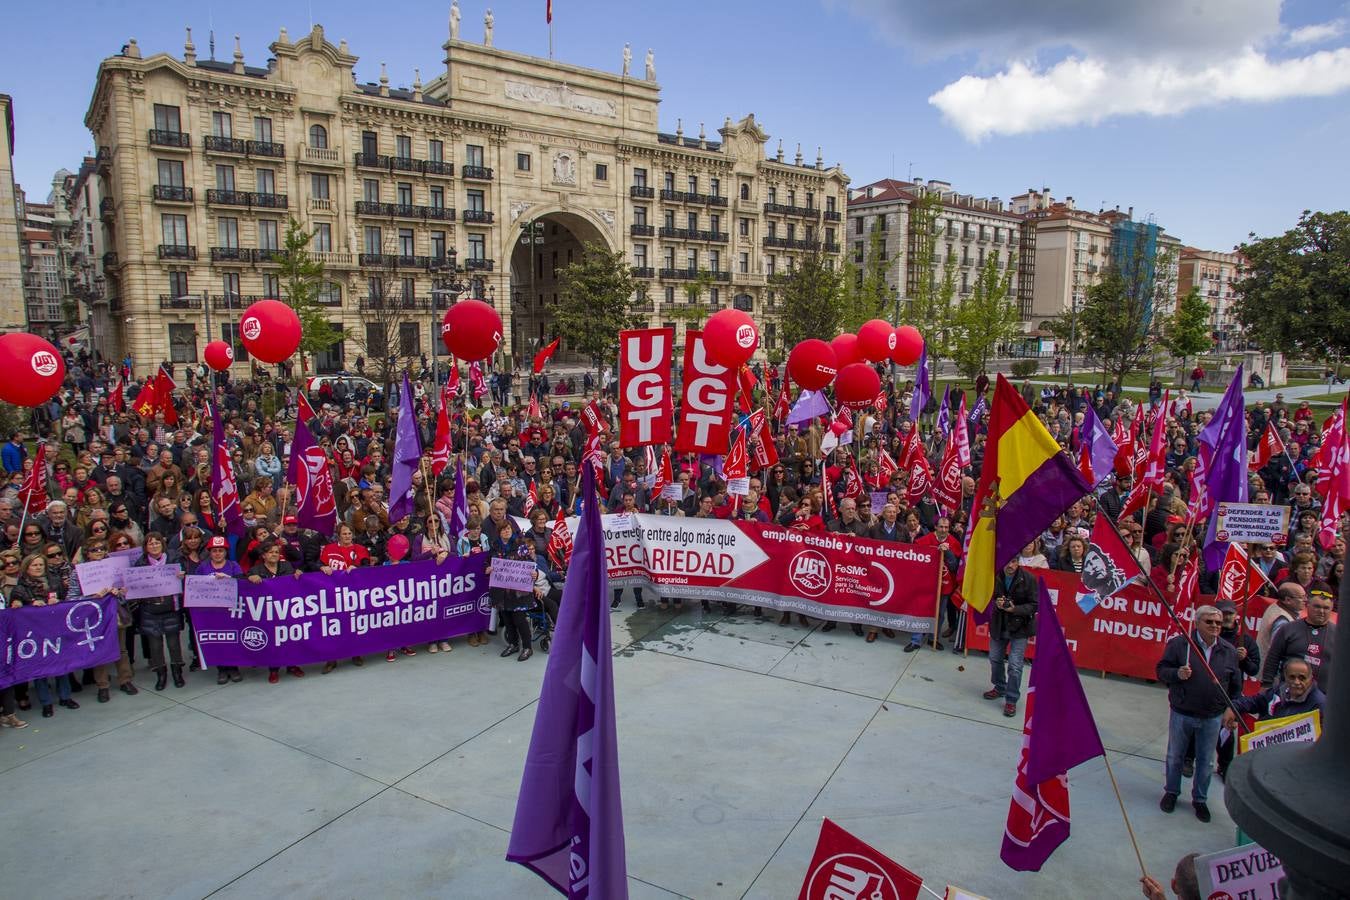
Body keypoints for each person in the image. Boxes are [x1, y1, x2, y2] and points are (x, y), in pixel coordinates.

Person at [1156, 605, 1242, 823]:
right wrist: (1176, 674)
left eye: (1218, 623)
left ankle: (1200, 800)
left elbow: (1235, 685)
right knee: (1175, 756)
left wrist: (1230, 709)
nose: (1215, 626)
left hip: (1212, 716)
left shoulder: (1229, 651)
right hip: (1182, 711)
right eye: (1209, 622)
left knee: (1206, 762)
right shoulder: (1180, 645)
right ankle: (1172, 792)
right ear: (1197, 623)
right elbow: (1161, 670)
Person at [131, 532, 187, 691]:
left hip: (171, 606)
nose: (154, 546)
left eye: (157, 543)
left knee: (174, 643)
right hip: (150, 609)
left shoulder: (174, 559)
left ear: (162, 544)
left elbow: (184, 577)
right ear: (145, 547)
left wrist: (181, 576)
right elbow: (136, 585)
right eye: (150, 544)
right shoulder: (140, 563)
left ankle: (177, 672)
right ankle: (161, 674)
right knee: (155, 645)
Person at [982, 558, 1037, 717]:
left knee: (1015, 665)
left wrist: (1015, 609)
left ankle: (1011, 700)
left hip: (1020, 627)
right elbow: (985, 595)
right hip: (999, 624)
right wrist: (996, 602)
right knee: (995, 658)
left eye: (1013, 562)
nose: (1010, 565)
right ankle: (1000, 687)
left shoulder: (1029, 579)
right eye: (1007, 562)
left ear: (1018, 562)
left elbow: (1034, 605)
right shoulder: (994, 575)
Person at [247, 541, 305, 683]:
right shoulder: (256, 570)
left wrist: (298, 573)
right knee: (273, 641)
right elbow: (241, 580)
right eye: (271, 552)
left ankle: (292, 665)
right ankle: (274, 669)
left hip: (287, 610)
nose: (274, 554)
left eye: (276, 552)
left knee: (291, 639)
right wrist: (249, 578)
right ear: (263, 556)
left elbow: (295, 582)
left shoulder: (286, 566)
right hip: (269, 613)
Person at [1261, 588, 1335, 692]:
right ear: (1307, 605)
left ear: (1331, 609)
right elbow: (1273, 658)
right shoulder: (1288, 629)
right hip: (1288, 693)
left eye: (1326, 608)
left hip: (1323, 696)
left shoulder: (1338, 634)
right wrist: (1266, 684)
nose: (1321, 611)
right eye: (1317, 606)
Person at [1225, 657, 1325, 731]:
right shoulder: (1278, 691)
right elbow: (1254, 701)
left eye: (1302, 678)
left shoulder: (1320, 704)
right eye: (1292, 677)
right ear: (1285, 677)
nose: (1297, 682)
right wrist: (1234, 707)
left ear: (1311, 678)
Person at [196, 536, 244, 684]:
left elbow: (242, 584)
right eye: (214, 551)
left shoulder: (233, 565)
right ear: (209, 552)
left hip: (230, 610)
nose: (217, 553)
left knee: (232, 639)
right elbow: (195, 585)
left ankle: (234, 667)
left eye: (220, 551)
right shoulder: (203, 567)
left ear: (225, 552)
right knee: (217, 640)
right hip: (211, 611)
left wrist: (229, 578)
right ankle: (221, 669)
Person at [1256, 582, 1305, 661]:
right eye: (1301, 597)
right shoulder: (1282, 621)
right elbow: (1278, 652)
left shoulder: (1277, 606)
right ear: (1287, 600)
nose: (1305, 600)